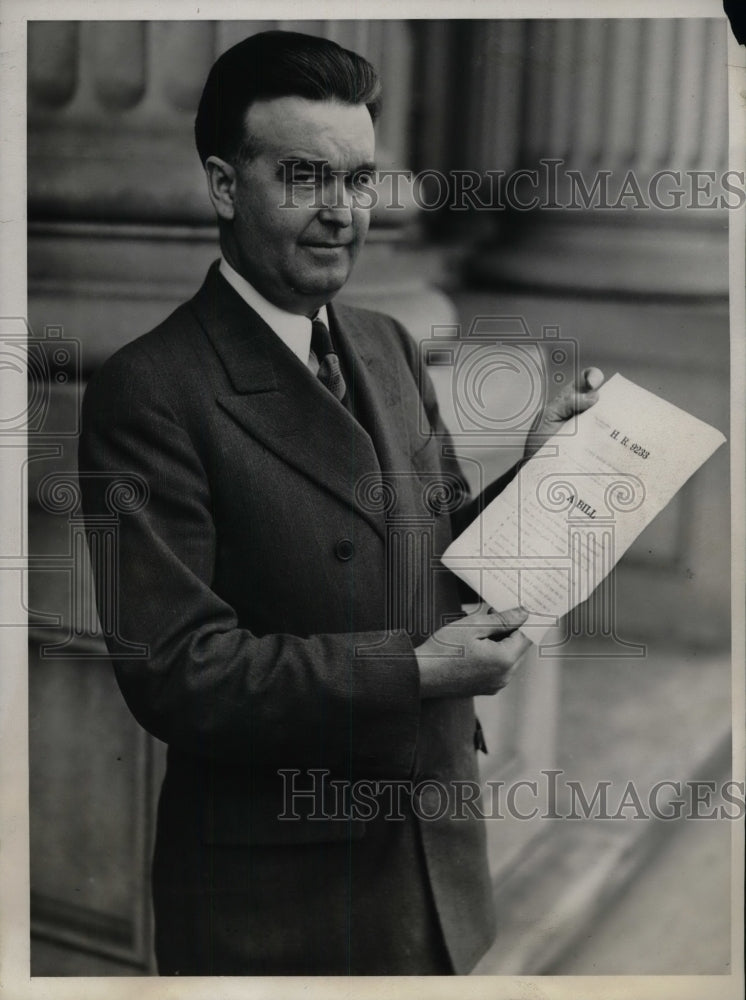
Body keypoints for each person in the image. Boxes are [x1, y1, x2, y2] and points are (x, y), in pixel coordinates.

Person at [79, 30, 602, 976]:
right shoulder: (152, 389)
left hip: (433, 857)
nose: (341, 213)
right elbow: (178, 673)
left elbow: (443, 564)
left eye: (359, 181)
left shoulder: (388, 342)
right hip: (280, 904)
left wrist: (543, 474)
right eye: (305, 177)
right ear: (225, 186)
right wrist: (414, 671)